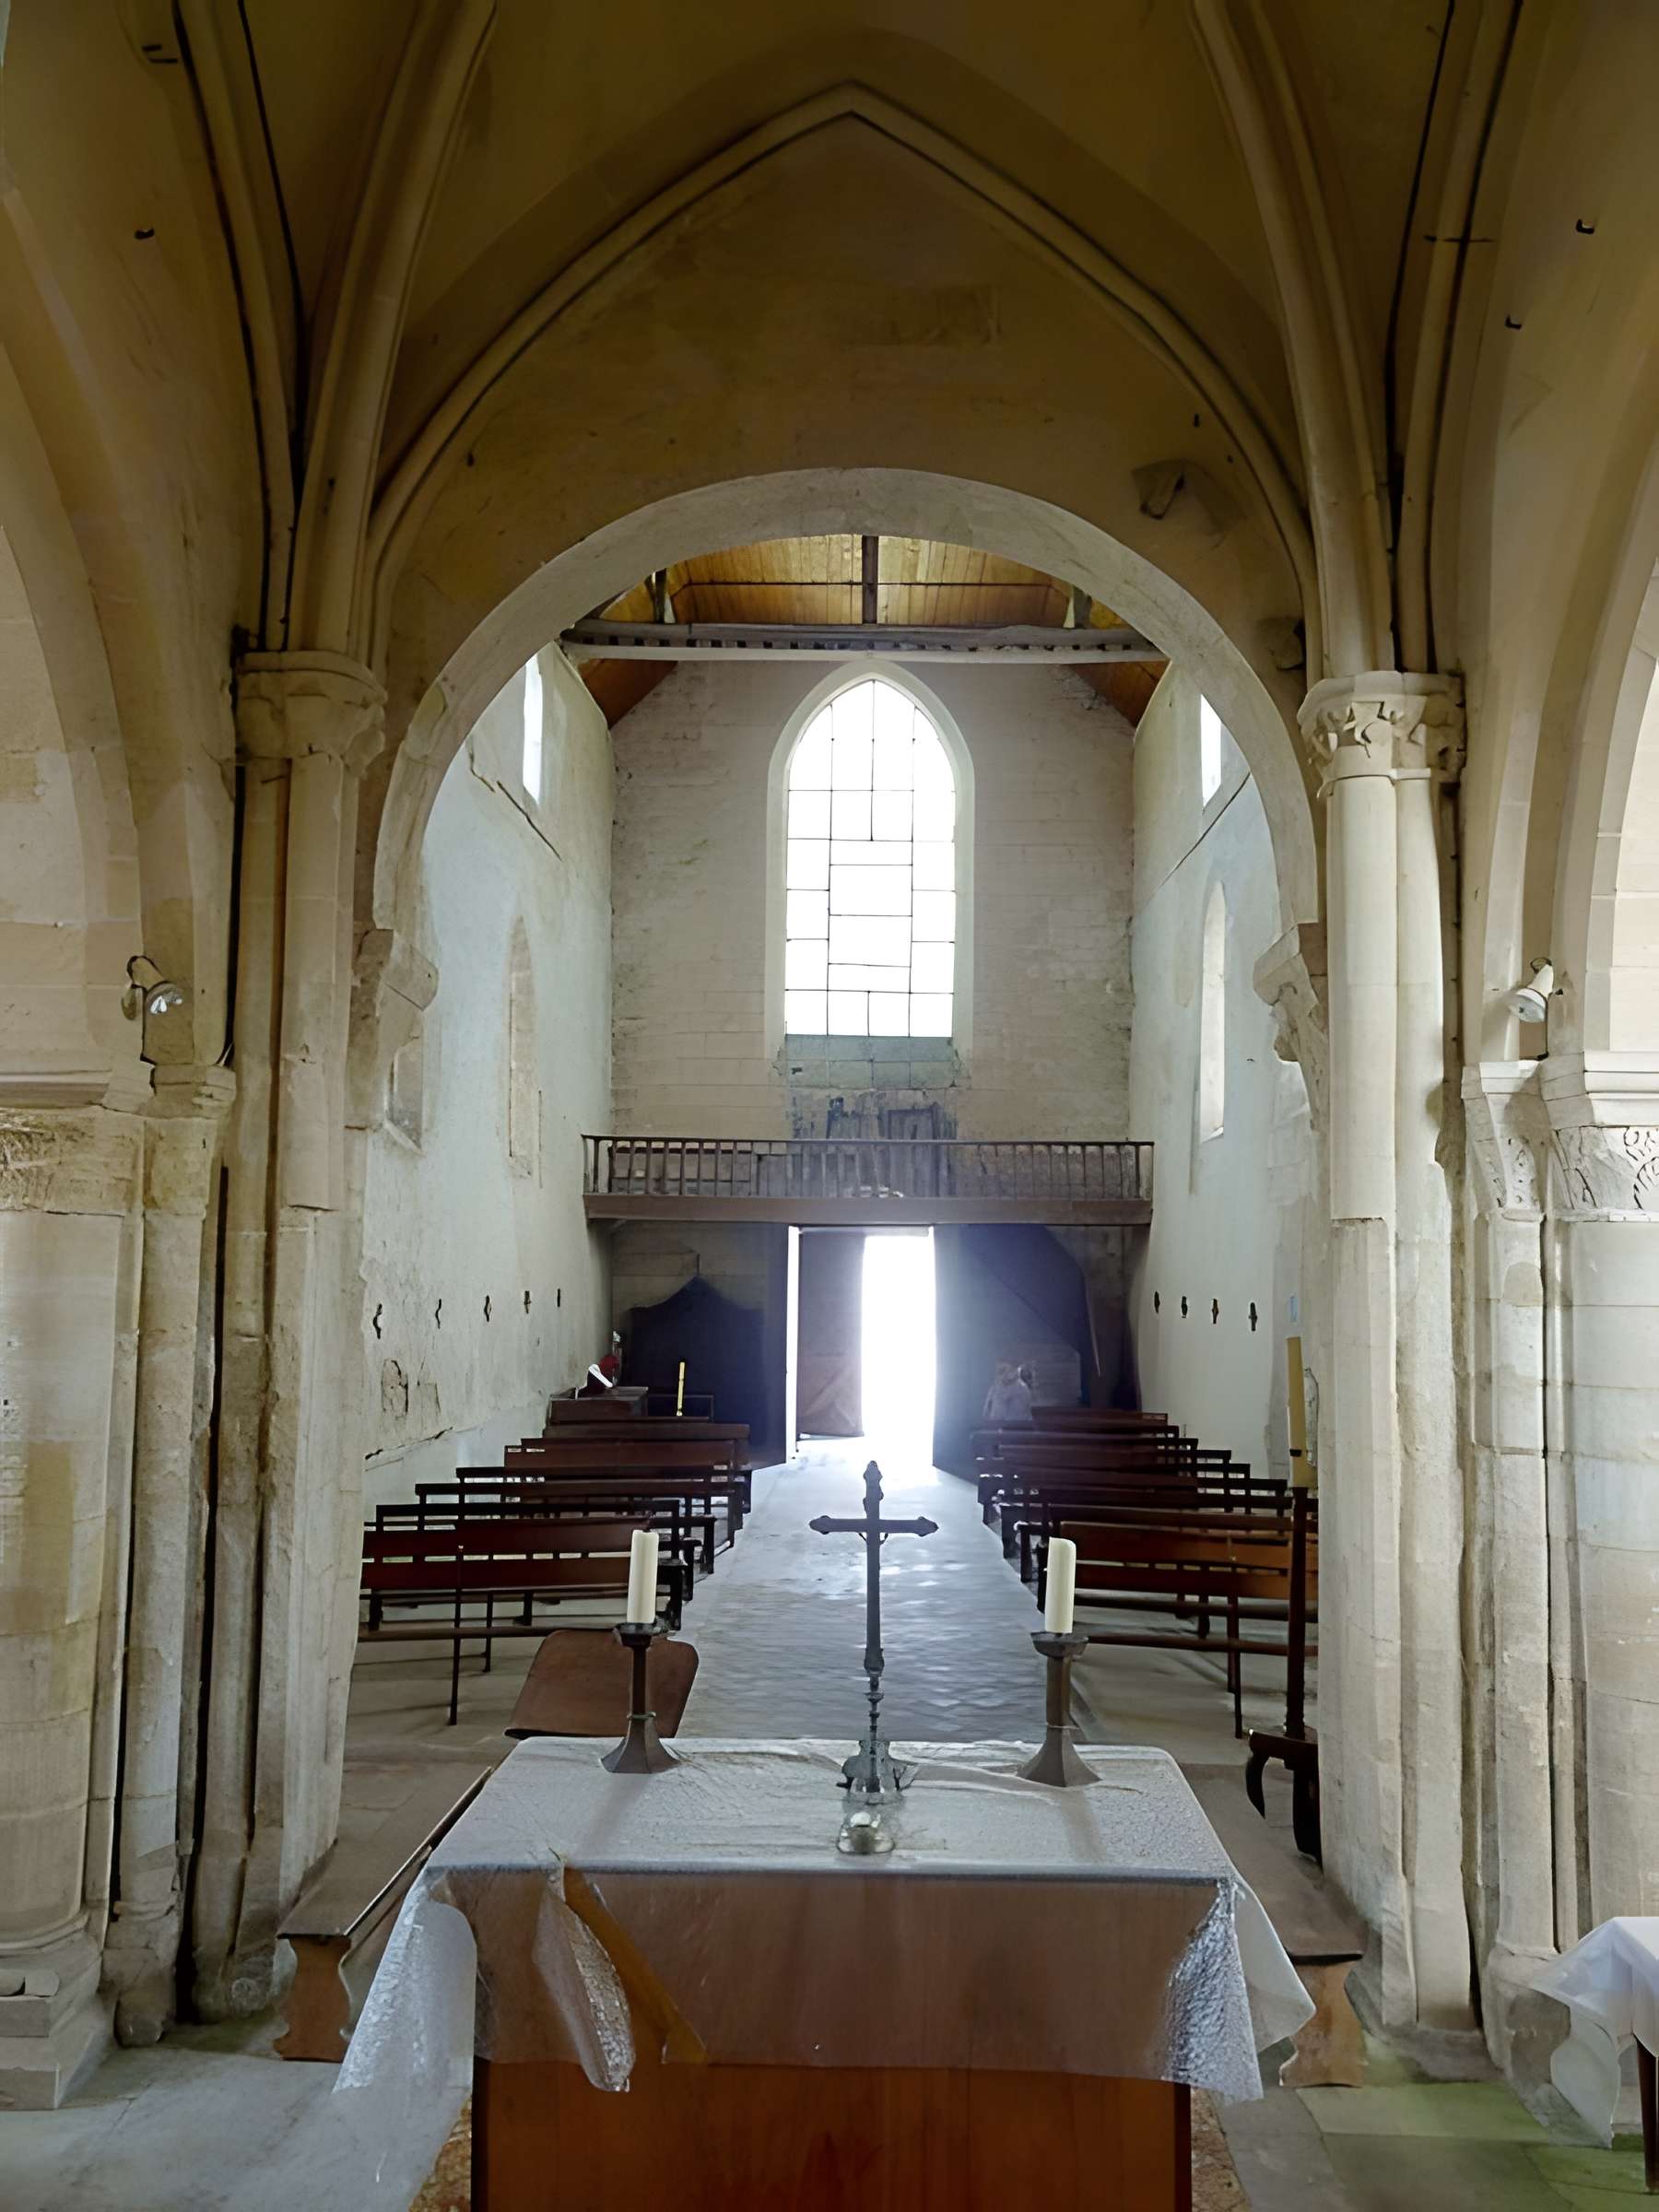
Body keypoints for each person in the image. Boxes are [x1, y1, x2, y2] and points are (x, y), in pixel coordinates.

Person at [983, 1359, 1034, 1425]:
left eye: (1009, 1370)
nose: (1004, 1375)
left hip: (1015, 1428)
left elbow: (1017, 1419)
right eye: (1001, 1372)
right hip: (994, 1428)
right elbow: (986, 1414)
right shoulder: (994, 1389)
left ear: (1015, 1371)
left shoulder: (1022, 1389)